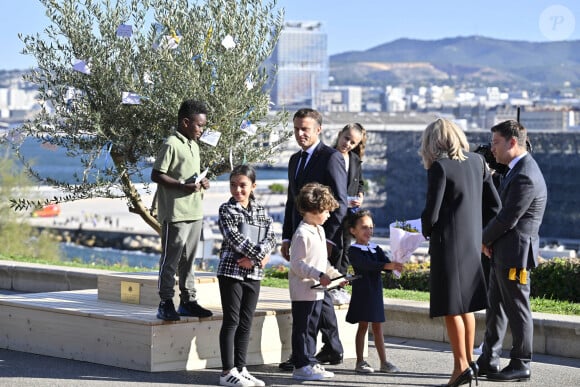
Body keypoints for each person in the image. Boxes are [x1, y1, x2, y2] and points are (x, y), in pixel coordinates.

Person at [419, 118, 501, 387]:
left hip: (447, 246)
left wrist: (425, 229)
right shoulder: (478, 162)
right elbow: (494, 206)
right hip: (472, 244)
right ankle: (466, 363)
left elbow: (431, 214)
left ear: (432, 141)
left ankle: (460, 367)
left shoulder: (440, 168)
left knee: (450, 306)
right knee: (466, 306)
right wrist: (483, 235)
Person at [476, 120, 547, 382]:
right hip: (503, 252)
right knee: (496, 307)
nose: (492, 149)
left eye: (496, 143)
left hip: (515, 255)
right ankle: (489, 358)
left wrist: (482, 240)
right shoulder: (515, 170)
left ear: (512, 142)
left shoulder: (526, 174)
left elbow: (507, 218)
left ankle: (521, 362)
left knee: (517, 307)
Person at [279, 108, 348, 370]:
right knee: (318, 291)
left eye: (305, 128)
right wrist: (286, 236)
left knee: (319, 292)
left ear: (318, 129)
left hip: (321, 237)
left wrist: (329, 240)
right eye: (296, 128)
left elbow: (339, 203)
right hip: (301, 235)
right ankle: (328, 348)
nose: (300, 133)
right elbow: (291, 201)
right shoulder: (294, 160)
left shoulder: (331, 158)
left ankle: (315, 352)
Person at [151, 99, 213, 321]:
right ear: (186, 122)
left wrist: (203, 183)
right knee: (171, 259)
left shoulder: (194, 145)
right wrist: (180, 186)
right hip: (176, 213)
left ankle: (188, 301)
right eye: (199, 125)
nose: (202, 130)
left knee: (189, 260)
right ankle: (165, 302)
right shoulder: (171, 144)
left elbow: (191, 175)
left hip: (195, 212)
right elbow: (157, 174)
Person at [216, 164, 277, 387]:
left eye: (242, 185)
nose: (237, 190)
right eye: (233, 185)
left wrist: (254, 259)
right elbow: (234, 239)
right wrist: (260, 255)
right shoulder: (226, 209)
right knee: (231, 320)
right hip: (231, 271)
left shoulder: (261, 210)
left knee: (246, 322)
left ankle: (241, 368)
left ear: (253, 186)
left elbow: (271, 238)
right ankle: (226, 372)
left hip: (254, 272)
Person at [288, 182, 344, 381]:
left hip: (317, 291)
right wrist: (319, 275)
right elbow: (297, 264)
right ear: (313, 210)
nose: (329, 215)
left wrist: (337, 277)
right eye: (326, 211)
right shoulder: (302, 234)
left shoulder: (319, 230)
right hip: (303, 290)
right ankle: (300, 365)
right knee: (302, 329)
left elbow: (323, 262)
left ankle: (309, 361)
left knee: (312, 327)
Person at [346, 209, 403, 374]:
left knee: (378, 326)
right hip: (363, 293)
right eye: (364, 227)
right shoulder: (353, 250)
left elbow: (385, 264)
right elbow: (366, 265)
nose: (368, 231)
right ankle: (360, 361)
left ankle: (384, 362)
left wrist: (396, 264)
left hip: (375, 292)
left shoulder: (375, 248)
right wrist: (386, 266)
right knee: (363, 325)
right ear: (353, 230)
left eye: (371, 227)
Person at [329, 123, 367, 306]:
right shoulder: (327, 156)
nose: (348, 144)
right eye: (346, 138)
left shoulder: (354, 159)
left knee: (345, 250)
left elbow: (360, 183)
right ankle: (331, 286)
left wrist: (360, 196)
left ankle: (339, 285)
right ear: (339, 134)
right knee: (334, 249)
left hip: (349, 214)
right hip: (331, 213)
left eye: (353, 142)